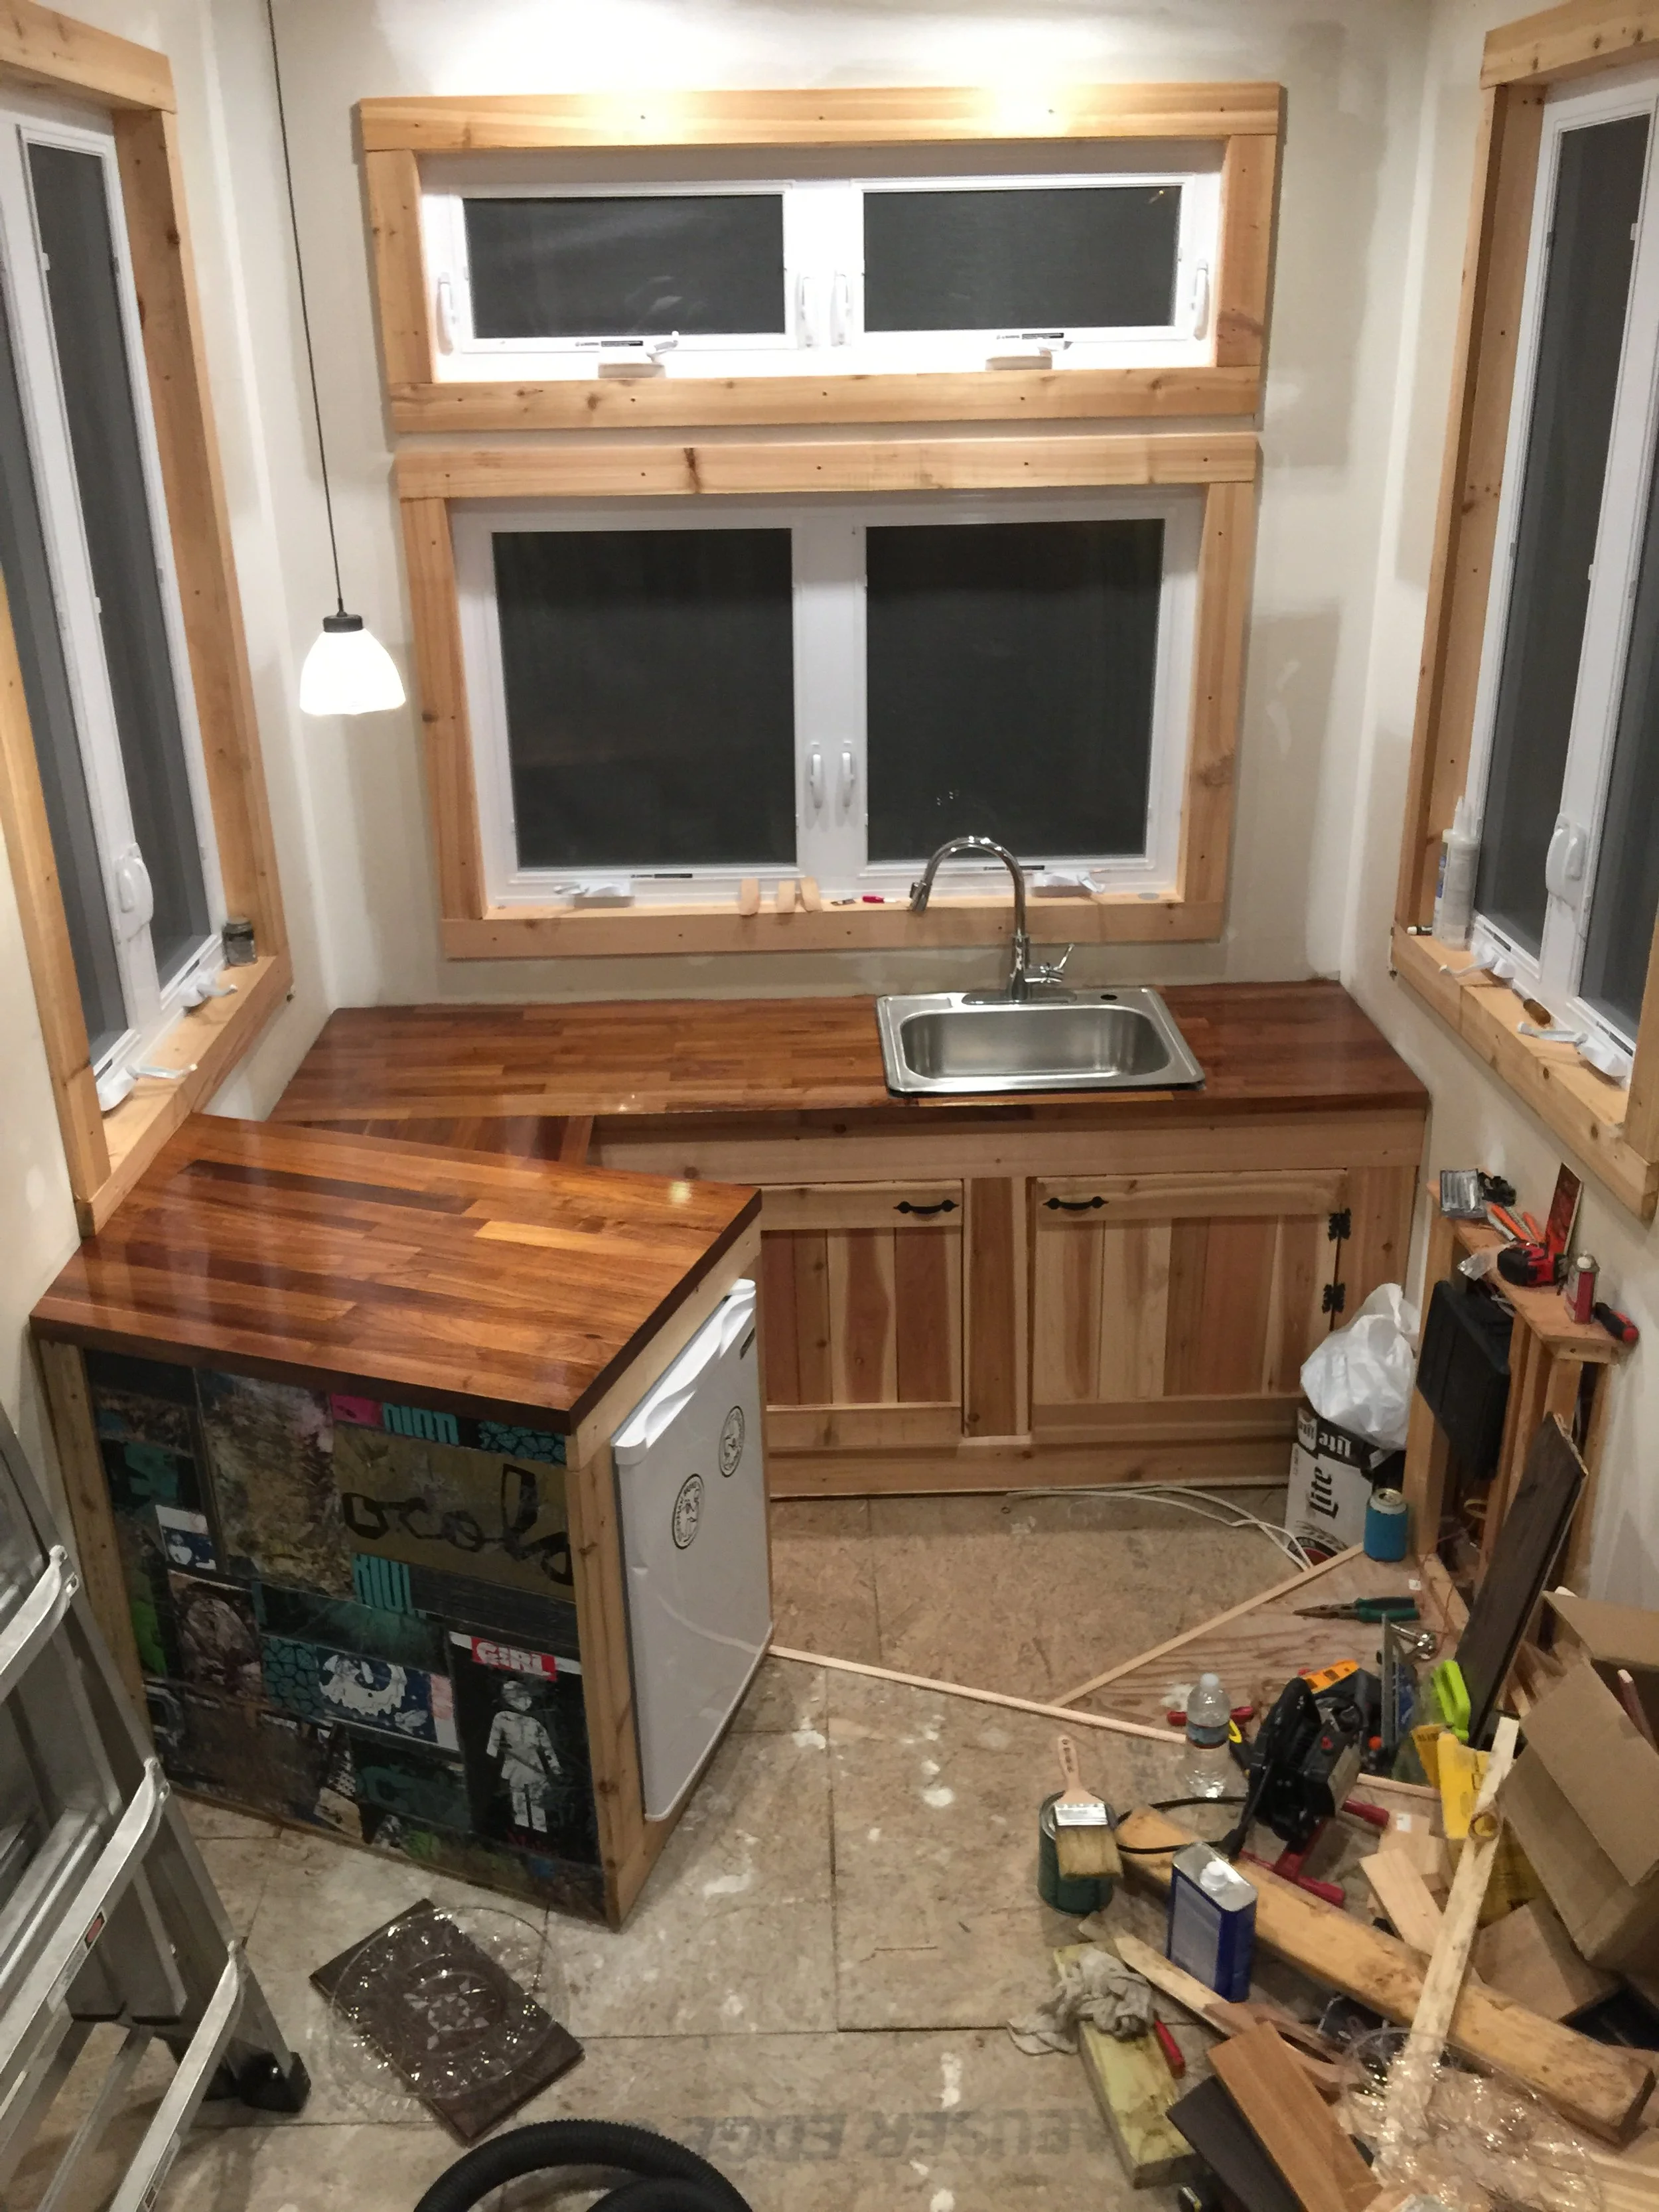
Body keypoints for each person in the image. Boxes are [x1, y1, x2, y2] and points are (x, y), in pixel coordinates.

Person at [485, 1677, 560, 1833]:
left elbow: (547, 1748)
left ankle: (539, 1832)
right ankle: (524, 1832)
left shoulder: (534, 1723)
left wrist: (555, 1768)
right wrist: (494, 1761)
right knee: (519, 1804)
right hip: (514, 1765)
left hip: (534, 1766)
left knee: (537, 1804)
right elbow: (493, 1745)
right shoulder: (502, 1718)